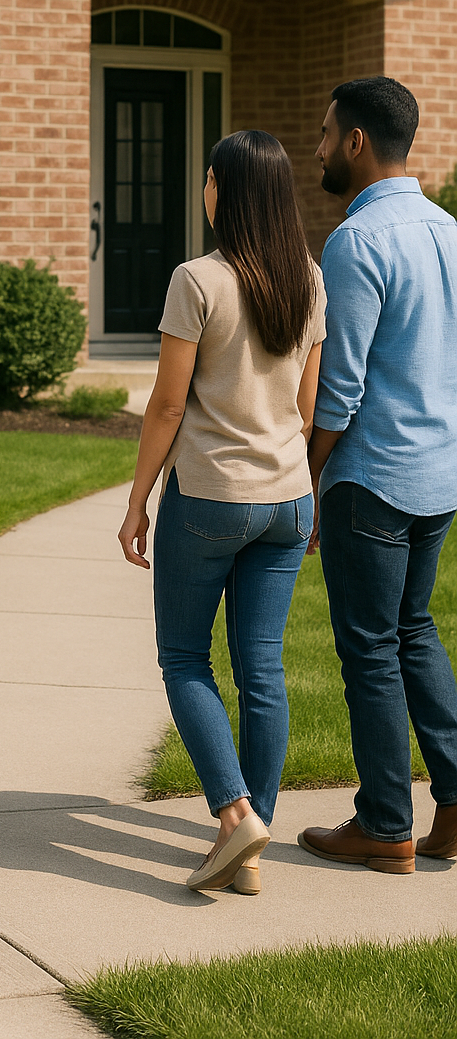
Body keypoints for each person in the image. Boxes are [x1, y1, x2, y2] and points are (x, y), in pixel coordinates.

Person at [119, 130, 325, 895]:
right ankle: (251, 842)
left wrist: (139, 499)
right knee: (261, 669)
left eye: (209, 178)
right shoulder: (308, 277)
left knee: (183, 657)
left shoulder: (196, 279)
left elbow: (168, 403)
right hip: (287, 499)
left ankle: (236, 815)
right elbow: (307, 408)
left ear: (222, 190)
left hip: (209, 498)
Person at [300, 76, 457, 874]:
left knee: (369, 649)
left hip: (374, 480)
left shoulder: (356, 242)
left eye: (326, 135)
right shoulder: (450, 231)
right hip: (441, 475)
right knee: (414, 629)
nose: (319, 150)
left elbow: (340, 389)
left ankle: (386, 826)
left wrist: (305, 476)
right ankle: (456, 808)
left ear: (357, 141)